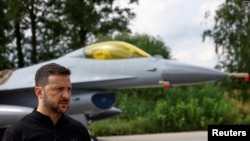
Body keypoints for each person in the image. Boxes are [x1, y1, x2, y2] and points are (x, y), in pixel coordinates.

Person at [2, 63, 91, 141]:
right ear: (39, 92)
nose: (66, 96)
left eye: (69, 89)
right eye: (59, 89)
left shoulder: (78, 130)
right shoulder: (18, 133)